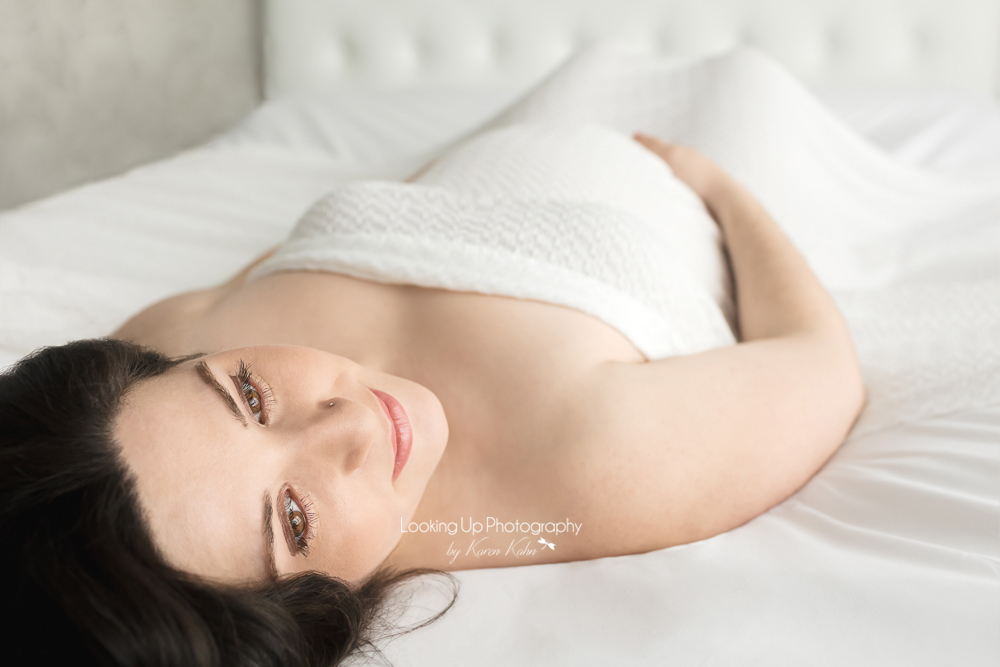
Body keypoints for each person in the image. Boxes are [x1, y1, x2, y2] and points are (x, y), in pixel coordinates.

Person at [0, 132, 864, 665]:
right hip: (691, 152)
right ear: (297, 623)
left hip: (491, 129)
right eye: (295, 518)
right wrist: (717, 182)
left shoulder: (173, 332)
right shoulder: (587, 464)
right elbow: (821, 363)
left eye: (251, 393)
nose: (345, 421)